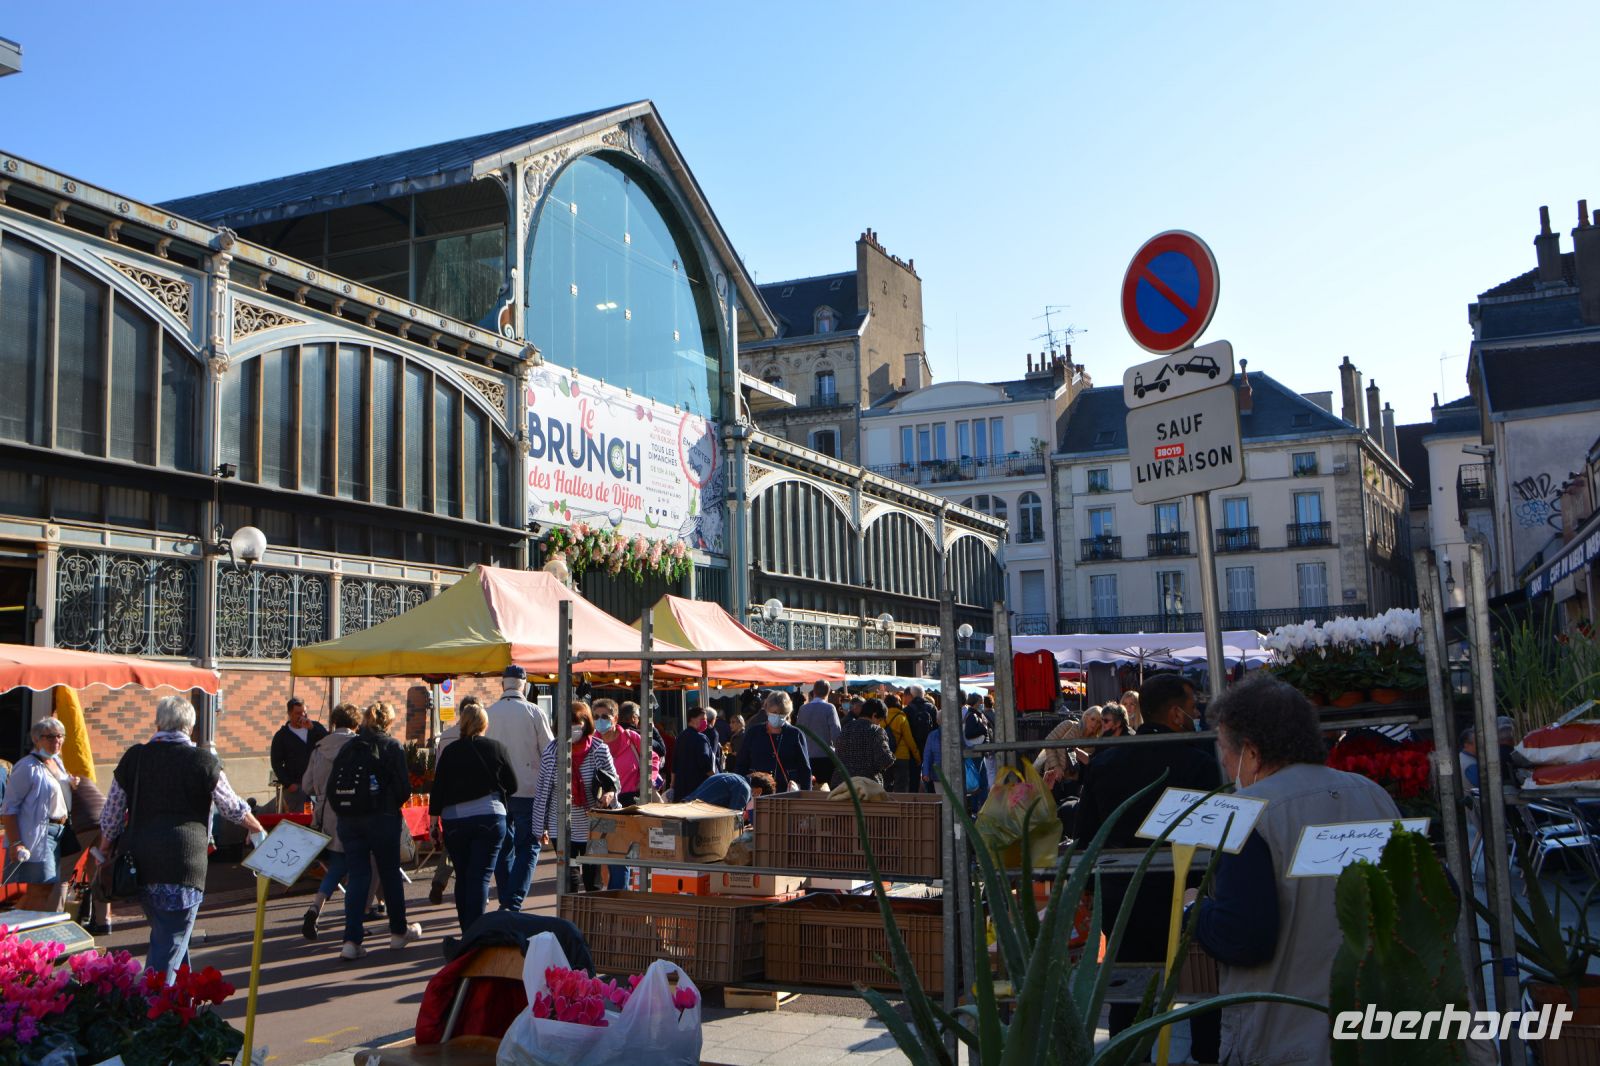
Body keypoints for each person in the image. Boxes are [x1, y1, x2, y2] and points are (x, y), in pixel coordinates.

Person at [1192, 672, 1402, 1066]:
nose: (1222, 760)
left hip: (1287, 1037)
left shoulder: (1247, 814)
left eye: (1224, 748)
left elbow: (1243, 938)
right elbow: (1427, 896)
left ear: (1251, 752)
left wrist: (1197, 911)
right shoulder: (1373, 795)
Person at [1074, 673, 1219, 1045]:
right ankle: (1207, 1052)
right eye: (1192, 708)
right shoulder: (1199, 760)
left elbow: (1086, 834)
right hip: (1187, 893)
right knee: (1202, 986)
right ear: (1175, 714)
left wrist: (1091, 889)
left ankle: (1126, 1051)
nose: (1196, 715)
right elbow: (1215, 834)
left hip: (1121, 895)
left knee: (1129, 990)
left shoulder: (1107, 761)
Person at [97, 698, 264, 981]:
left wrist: (103, 849)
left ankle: (181, 1001)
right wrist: (256, 827)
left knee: (170, 936)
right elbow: (230, 806)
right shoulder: (203, 761)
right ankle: (151, 1002)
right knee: (171, 940)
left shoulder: (135, 757)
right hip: (183, 864)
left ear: (157, 723)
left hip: (139, 864)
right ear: (191, 727)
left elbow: (112, 811)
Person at [333, 701, 420, 960]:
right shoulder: (391, 746)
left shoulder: (349, 747)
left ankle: (351, 941)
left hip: (349, 819)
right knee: (390, 874)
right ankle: (398, 932)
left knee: (358, 876)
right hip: (382, 818)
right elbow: (403, 788)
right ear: (388, 722)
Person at [430, 696, 518, 934]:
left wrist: (433, 822)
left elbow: (438, 788)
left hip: (455, 820)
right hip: (489, 816)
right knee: (480, 876)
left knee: (463, 875)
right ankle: (475, 933)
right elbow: (513, 785)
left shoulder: (450, 752)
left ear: (462, 723)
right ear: (484, 724)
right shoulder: (497, 748)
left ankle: (466, 931)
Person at [532, 702, 620, 893]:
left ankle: (592, 912)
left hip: (594, 824)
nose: (573, 728)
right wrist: (540, 826)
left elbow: (614, 782)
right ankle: (570, 912)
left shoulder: (599, 749)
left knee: (592, 878)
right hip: (560, 823)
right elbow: (543, 791)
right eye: (569, 724)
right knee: (568, 876)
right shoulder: (552, 752)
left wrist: (609, 794)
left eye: (577, 723)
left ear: (586, 723)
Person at [486, 664, 553, 912]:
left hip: (497, 792)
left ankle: (507, 898)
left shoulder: (489, 713)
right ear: (524, 685)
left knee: (503, 847)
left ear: (502, 683)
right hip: (528, 789)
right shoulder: (534, 712)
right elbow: (550, 751)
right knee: (529, 845)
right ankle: (512, 902)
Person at [3, 717, 82, 912]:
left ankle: (13, 926)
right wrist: (15, 842)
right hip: (40, 833)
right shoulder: (27, 767)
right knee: (41, 888)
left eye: (60, 736)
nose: (57, 740)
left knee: (45, 888)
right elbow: (9, 808)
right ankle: (16, 927)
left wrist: (71, 784)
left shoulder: (57, 762)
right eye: (51, 737)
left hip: (60, 830)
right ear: (37, 739)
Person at [299, 701, 363, 939]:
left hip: (326, 812)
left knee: (337, 865)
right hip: (354, 811)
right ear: (356, 723)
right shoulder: (359, 746)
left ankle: (315, 906)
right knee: (359, 867)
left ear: (334, 722)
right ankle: (355, 922)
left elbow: (306, 785)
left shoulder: (319, 748)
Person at [734, 691, 812, 791]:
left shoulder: (796, 734)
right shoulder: (754, 732)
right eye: (774, 712)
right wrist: (739, 789)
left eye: (782, 713)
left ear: (787, 714)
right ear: (767, 710)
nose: (778, 716)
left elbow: (805, 769)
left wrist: (806, 794)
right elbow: (741, 764)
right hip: (758, 790)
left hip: (786, 790)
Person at [270, 697, 328, 814]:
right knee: (302, 817)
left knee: (319, 816)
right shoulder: (282, 736)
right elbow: (276, 763)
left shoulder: (315, 728)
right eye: (298, 713)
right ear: (289, 714)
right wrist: (288, 784)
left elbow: (329, 741)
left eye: (304, 712)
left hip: (317, 785)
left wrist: (313, 728)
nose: (302, 716)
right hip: (297, 787)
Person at [595, 699, 658, 807]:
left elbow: (653, 758)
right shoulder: (592, 743)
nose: (600, 720)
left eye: (604, 717)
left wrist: (647, 781)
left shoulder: (631, 737)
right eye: (596, 717)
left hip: (632, 802)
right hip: (603, 804)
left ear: (615, 719)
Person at [1036, 705, 1104, 801]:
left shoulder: (1094, 742)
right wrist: (1056, 766)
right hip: (1053, 774)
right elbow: (1048, 741)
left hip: (1073, 780)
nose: (1094, 724)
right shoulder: (1068, 725)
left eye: (1098, 722)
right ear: (1086, 717)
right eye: (1092, 719)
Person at [833, 698, 895, 786]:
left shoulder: (846, 728)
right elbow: (884, 760)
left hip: (842, 782)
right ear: (874, 715)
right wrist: (891, 757)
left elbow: (837, 754)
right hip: (866, 785)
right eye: (880, 720)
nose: (879, 724)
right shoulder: (876, 731)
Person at [796, 681, 842, 787]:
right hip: (825, 757)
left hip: (806, 756)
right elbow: (836, 733)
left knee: (808, 789)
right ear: (828, 692)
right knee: (827, 790)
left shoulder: (803, 709)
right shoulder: (829, 708)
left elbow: (798, 732)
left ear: (814, 691)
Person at [672, 708, 717, 800]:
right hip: (697, 787)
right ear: (692, 719)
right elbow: (705, 763)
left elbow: (674, 762)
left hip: (680, 786)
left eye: (706, 719)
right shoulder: (701, 738)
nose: (705, 722)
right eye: (702, 719)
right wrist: (715, 778)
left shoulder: (680, 736)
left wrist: (672, 783)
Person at [884, 694, 921, 793]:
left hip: (885, 756)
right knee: (901, 787)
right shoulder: (901, 718)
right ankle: (899, 803)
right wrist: (917, 757)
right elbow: (909, 740)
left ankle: (886, 802)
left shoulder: (881, 718)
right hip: (901, 757)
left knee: (886, 785)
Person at [904, 684, 937, 762]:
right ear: (923, 694)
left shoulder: (907, 710)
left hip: (913, 750)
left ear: (911, 694)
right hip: (930, 747)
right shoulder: (932, 708)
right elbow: (936, 728)